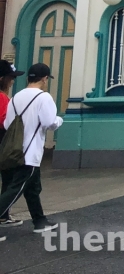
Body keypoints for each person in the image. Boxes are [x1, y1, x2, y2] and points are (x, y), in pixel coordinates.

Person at [0, 63, 62, 239]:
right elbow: (50, 123)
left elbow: (6, 124)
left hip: (15, 150)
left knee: (32, 188)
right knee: (15, 190)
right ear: (44, 79)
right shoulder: (44, 97)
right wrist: (59, 120)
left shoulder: (16, 97)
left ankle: (39, 221)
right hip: (30, 153)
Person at [0, 60, 26, 230]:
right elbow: (4, 121)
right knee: (9, 180)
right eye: (11, 77)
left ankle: (4, 216)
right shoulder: (2, 97)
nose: (12, 81)